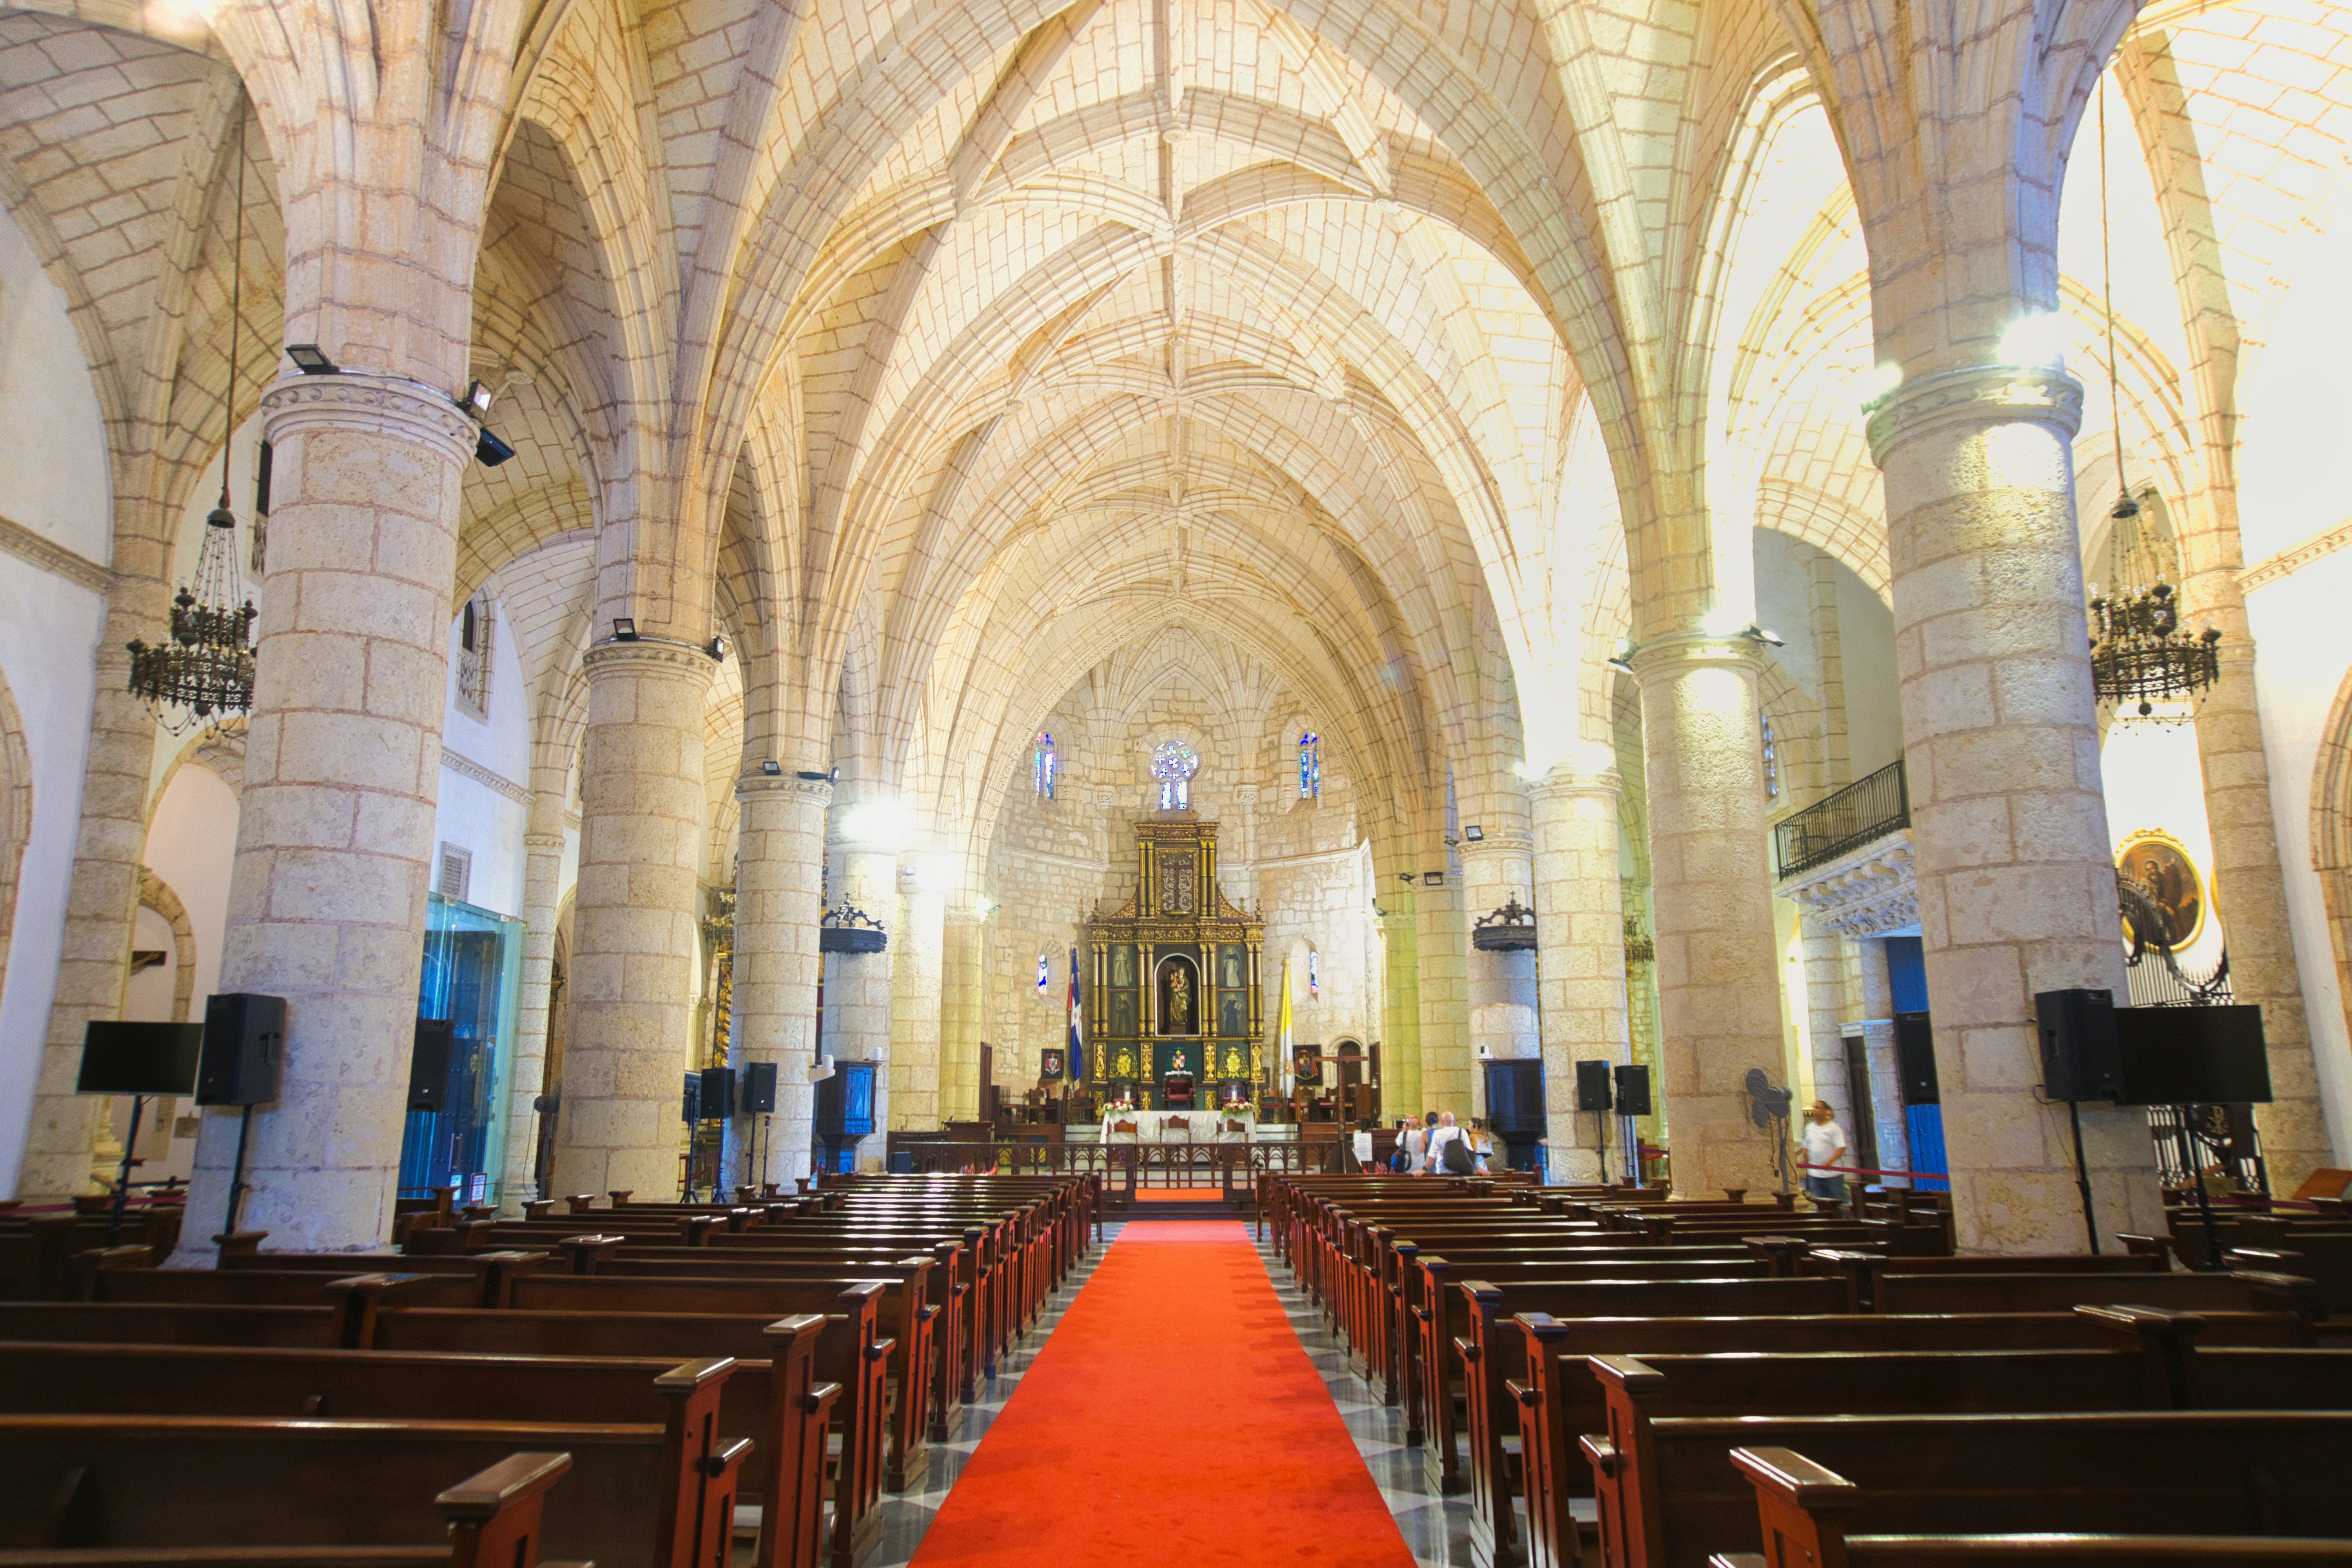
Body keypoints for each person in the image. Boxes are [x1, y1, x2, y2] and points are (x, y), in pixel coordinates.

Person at [1797, 1100, 1847, 1204]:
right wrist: (1806, 1159)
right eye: (1814, 1108)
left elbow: (1841, 1148)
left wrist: (1829, 1162)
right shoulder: (1809, 1128)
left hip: (1832, 1174)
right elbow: (1806, 1146)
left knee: (1838, 1202)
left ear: (1826, 1111)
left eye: (1818, 1108)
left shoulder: (1834, 1129)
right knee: (1821, 1203)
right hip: (1815, 1174)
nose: (1815, 1110)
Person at [1424, 1111, 1471, 1175]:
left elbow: (1433, 1154)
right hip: (1460, 1170)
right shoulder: (1462, 1132)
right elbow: (1470, 1152)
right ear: (1454, 1121)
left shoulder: (1438, 1134)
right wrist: (1479, 1169)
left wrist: (1424, 1169)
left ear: (1442, 1122)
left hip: (1443, 1170)